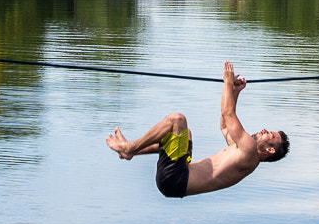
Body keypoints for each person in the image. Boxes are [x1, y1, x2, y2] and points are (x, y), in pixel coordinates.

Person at [107, 62, 289, 198]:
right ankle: (130, 152)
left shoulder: (249, 151)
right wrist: (234, 92)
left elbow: (227, 112)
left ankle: (129, 148)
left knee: (176, 120)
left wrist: (227, 83)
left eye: (269, 135)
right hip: (176, 178)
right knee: (183, 135)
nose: (265, 130)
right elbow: (224, 125)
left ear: (269, 150)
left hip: (175, 179)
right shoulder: (244, 153)